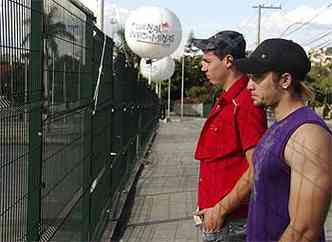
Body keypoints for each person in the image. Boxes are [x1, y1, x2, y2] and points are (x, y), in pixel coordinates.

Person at [235, 38, 332, 242]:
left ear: (285, 80)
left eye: (258, 77)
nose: (249, 86)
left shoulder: (308, 135)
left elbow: (304, 230)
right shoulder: (280, 125)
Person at [192, 30, 267, 241]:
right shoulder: (226, 100)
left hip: (230, 223)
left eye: (207, 61)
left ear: (228, 61)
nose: (203, 67)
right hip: (218, 220)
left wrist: (221, 209)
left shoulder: (244, 103)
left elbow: (257, 167)